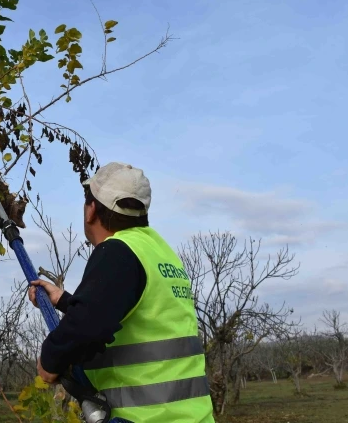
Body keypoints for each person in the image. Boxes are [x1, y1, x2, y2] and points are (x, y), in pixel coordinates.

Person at [28, 162, 215, 422]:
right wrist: (64, 300)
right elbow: (129, 314)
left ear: (91, 210)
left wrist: (49, 360)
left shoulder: (118, 251)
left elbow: (87, 327)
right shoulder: (159, 252)